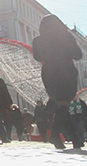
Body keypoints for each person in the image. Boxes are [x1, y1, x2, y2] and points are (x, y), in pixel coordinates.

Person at [31, 15, 83, 150]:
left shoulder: (37, 40)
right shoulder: (66, 36)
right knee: (63, 105)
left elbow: (37, 57)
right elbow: (78, 55)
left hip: (49, 73)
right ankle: (56, 136)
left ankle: (74, 139)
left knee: (61, 107)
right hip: (66, 72)